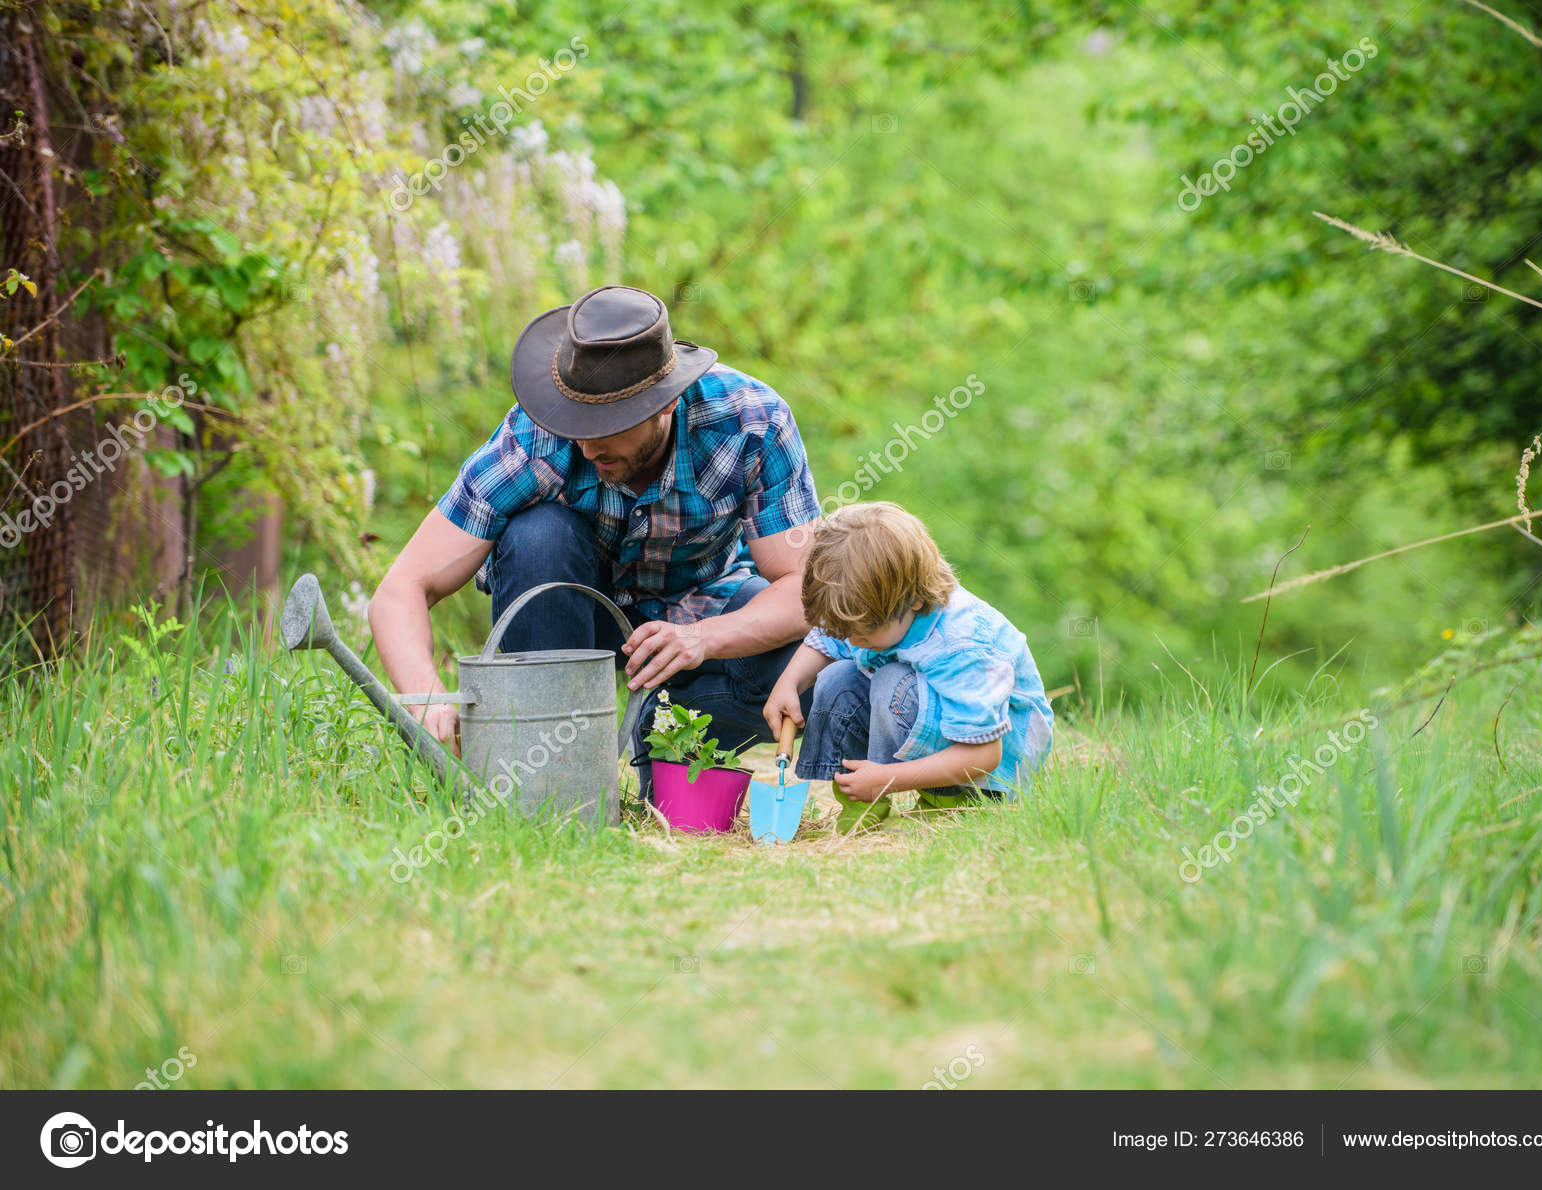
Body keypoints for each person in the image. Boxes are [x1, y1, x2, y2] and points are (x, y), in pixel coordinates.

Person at [368, 285, 821, 797]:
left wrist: (704, 638)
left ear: (666, 404)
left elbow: (805, 588)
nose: (586, 443)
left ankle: (669, 739)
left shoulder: (751, 421)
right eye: (576, 420)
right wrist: (426, 698)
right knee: (538, 535)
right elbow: (401, 588)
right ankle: (555, 775)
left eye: (608, 424)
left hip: (704, 612)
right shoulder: (537, 437)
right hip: (570, 619)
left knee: (805, 661)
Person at [763, 502, 1053, 832]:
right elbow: (828, 639)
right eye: (846, 631)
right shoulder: (878, 611)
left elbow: (984, 754)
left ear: (914, 600)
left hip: (986, 771)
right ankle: (864, 807)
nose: (852, 642)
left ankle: (949, 805)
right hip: (932, 723)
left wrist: (887, 778)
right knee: (834, 679)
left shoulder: (960, 644)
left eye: (864, 633)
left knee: (891, 683)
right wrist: (789, 682)